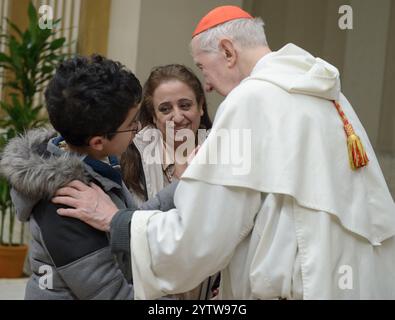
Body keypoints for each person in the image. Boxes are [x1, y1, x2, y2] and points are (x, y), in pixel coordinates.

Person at [51, 6, 395, 299]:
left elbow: (200, 238)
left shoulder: (251, 99)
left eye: (203, 67)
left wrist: (118, 221)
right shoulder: (324, 93)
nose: (209, 85)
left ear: (228, 51)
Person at [0, 55, 178, 299]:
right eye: (132, 124)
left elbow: (126, 219)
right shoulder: (65, 202)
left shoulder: (96, 163)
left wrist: (188, 182)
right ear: (98, 141)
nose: (137, 128)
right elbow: (112, 294)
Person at [120, 64, 215, 299]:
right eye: (165, 109)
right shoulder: (132, 160)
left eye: (185, 105)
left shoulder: (224, 154)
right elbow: (131, 230)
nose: (178, 116)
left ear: (201, 107)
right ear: (153, 116)